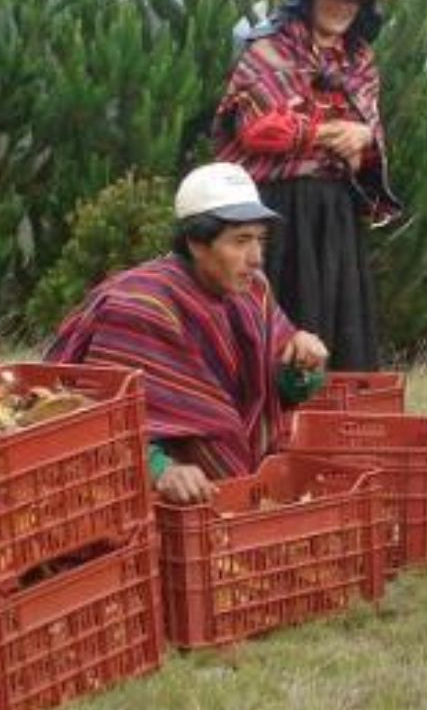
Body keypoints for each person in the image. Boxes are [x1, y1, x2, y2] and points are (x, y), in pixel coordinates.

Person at [46, 164, 329, 505]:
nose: (256, 258)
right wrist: (158, 468)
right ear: (197, 242)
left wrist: (301, 364)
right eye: (241, 241)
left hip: (228, 492)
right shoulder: (141, 307)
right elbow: (90, 419)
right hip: (137, 497)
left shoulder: (252, 291)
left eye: (260, 240)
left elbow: (276, 390)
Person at [215, 0, 401, 370]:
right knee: (276, 309)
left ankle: (330, 419)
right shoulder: (267, 51)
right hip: (274, 206)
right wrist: (326, 133)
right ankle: (265, 418)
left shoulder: (360, 61)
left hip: (334, 210)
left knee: (335, 316)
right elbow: (255, 128)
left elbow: (371, 131)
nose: (342, 5)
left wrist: (365, 139)